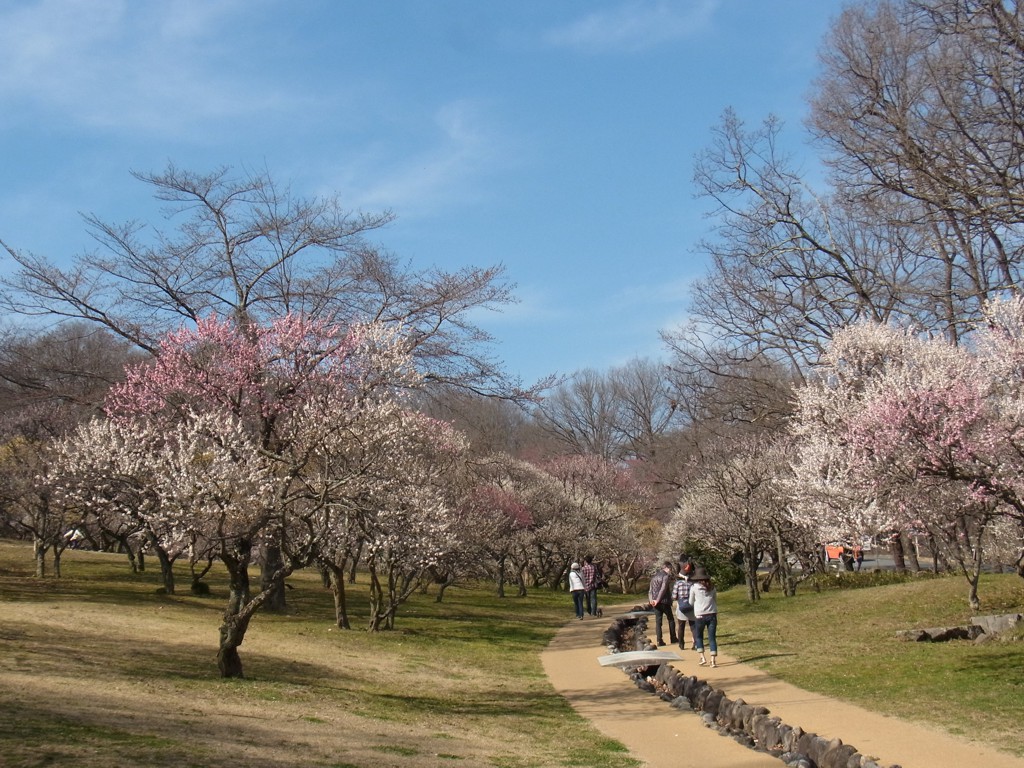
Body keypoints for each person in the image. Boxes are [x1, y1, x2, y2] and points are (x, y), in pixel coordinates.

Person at [690, 565, 719, 667]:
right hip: (712, 614)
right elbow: (715, 600)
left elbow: (690, 601)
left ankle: (702, 657)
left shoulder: (694, 588)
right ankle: (713, 660)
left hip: (700, 615)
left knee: (699, 636)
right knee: (712, 637)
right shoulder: (712, 587)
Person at [647, 560, 677, 646]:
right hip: (664, 601)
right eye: (670, 568)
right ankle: (673, 638)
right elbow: (663, 589)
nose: (671, 570)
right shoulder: (665, 576)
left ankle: (659, 640)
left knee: (658, 622)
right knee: (671, 619)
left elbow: (650, 591)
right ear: (667, 568)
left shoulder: (654, 577)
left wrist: (652, 600)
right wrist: (658, 600)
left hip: (655, 603)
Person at [672, 561, 697, 650]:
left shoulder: (678, 584)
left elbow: (674, 596)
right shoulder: (692, 583)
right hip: (691, 606)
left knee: (681, 626)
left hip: (681, 606)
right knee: (693, 626)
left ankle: (681, 644)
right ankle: (696, 644)